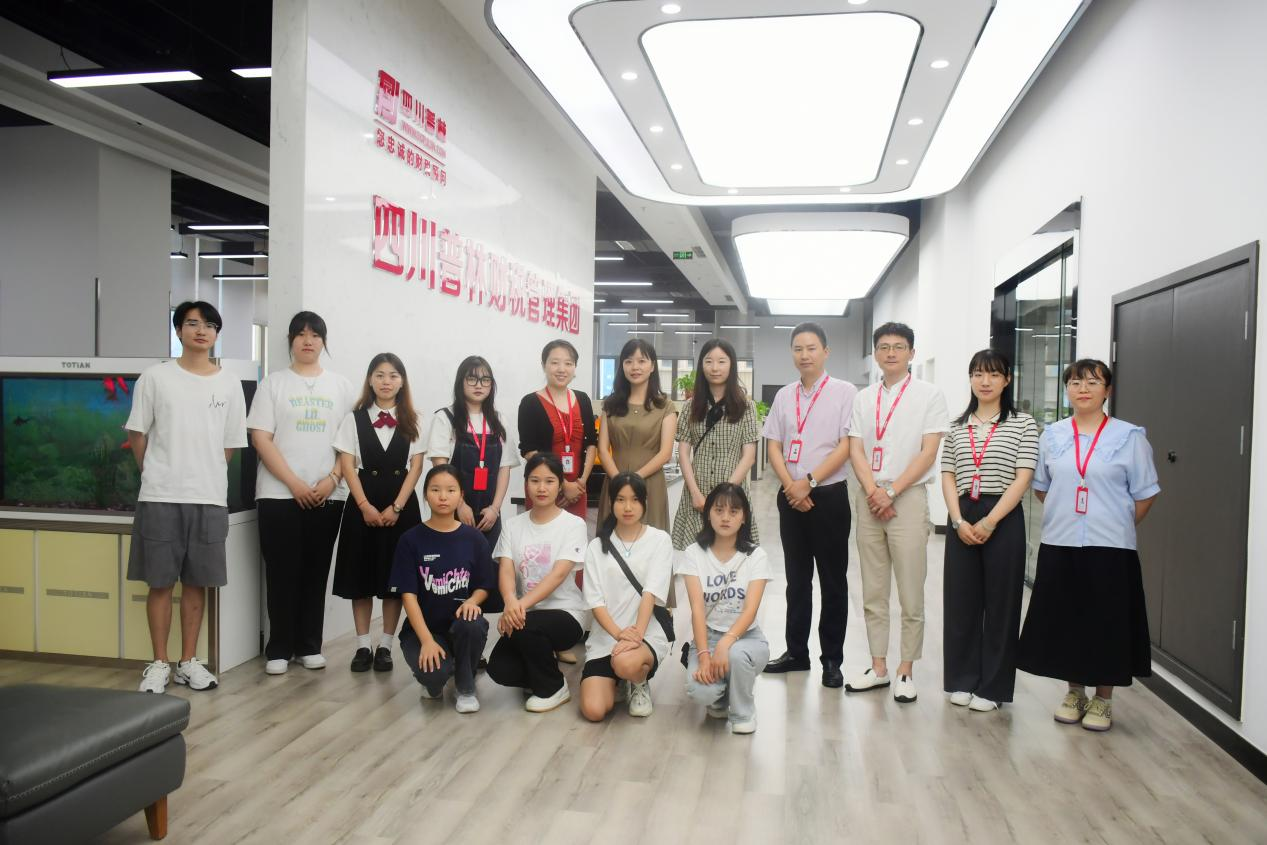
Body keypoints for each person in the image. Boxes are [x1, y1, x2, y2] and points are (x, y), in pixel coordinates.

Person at [1018, 359, 1160, 732]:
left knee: (1106, 621)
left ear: (1107, 391)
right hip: (1060, 541)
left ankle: (1103, 699)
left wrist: (1115, 521)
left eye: (1093, 382)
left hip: (1111, 546)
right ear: (1067, 389)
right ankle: (1074, 693)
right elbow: (1043, 488)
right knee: (1067, 618)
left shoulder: (1129, 437)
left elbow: (1145, 493)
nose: (1083, 388)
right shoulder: (1052, 436)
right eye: (1076, 382)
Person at [126, 301, 247, 694]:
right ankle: (159, 663)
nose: (201, 330)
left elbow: (230, 444)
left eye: (209, 325)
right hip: (160, 495)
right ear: (178, 330)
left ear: (216, 333)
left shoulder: (229, 383)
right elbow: (137, 434)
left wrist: (205, 472)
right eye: (192, 323)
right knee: (160, 582)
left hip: (209, 497)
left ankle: (188, 662)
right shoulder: (155, 378)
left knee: (197, 583)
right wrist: (155, 471)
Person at [248, 311, 356, 675]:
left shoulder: (341, 386)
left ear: (323, 342)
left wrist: (333, 479)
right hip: (278, 494)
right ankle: (279, 648)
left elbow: (350, 442)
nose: (308, 341)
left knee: (316, 570)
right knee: (281, 571)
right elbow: (260, 437)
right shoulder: (273, 384)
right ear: (291, 340)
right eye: (301, 334)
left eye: (315, 335)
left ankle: (309, 645)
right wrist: (293, 483)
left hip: (328, 494)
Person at [846, 322, 948, 703]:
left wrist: (891, 491)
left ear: (911, 353)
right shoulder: (863, 398)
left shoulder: (929, 395)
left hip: (907, 497)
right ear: (875, 353)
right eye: (884, 347)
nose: (891, 353)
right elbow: (855, 448)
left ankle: (906, 669)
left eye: (899, 346)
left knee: (910, 590)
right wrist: (874, 491)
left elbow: (928, 452)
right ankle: (878, 667)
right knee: (873, 589)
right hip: (869, 497)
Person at [940, 350, 1038, 711]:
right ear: (970, 379)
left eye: (994, 375)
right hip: (963, 514)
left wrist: (991, 521)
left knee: (1001, 603)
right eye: (978, 374)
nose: (985, 381)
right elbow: (948, 475)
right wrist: (957, 520)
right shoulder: (957, 426)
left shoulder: (1023, 423)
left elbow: (1023, 477)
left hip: (1003, 515)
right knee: (961, 602)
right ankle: (962, 680)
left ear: (1007, 380)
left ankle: (993, 688)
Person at [761, 322, 857, 688]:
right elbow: (773, 444)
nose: (805, 355)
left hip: (828, 496)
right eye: (798, 349)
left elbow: (847, 445)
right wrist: (792, 486)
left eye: (811, 348)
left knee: (833, 581)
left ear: (826, 352)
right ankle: (796, 653)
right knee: (796, 581)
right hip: (791, 497)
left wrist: (809, 482)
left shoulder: (845, 392)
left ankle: (832, 659)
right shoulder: (785, 396)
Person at [332, 353, 425, 673]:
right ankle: (362, 645)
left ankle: (385, 645)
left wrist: (397, 507)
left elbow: (416, 467)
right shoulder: (354, 419)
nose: (387, 381)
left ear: (402, 382)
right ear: (370, 380)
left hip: (402, 507)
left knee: (394, 581)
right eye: (380, 375)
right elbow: (347, 465)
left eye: (393, 375)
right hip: (363, 505)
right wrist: (364, 506)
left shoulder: (414, 419)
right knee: (360, 578)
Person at [487, 453, 590, 712]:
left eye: (549, 481)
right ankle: (540, 671)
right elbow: (506, 570)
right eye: (534, 481)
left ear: (560, 485)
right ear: (526, 484)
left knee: (528, 627)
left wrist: (517, 608)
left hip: (566, 613)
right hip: (525, 615)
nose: (541, 488)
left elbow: (558, 575)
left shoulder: (573, 525)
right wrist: (510, 602)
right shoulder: (513, 525)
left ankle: (554, 688)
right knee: (499, 668)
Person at [388, 464, 495, 713]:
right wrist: (426, 641)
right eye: (435, 490)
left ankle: (465, 686)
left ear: (461, 495)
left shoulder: (474, 539)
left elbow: (484, 586)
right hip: (424, 630)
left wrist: (472, 601)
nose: (443, 497)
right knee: (434, 680)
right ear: (426, 494)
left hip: (461, 627)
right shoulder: (410, 540)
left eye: (450, 490)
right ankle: (438, 674)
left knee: (473, 623)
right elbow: (408, 596)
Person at [579, 472, 674, 721]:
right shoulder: (596, 547)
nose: (628, 507)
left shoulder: (659, 540)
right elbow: (595, 602)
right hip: (606, 636)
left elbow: (650, 593)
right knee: (593, 710)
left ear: (644, 502)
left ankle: (637, 681)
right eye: (621, 500)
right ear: (611, 503)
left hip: (645, 633)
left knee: (625, 662)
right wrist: (619, 634)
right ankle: (620, 679)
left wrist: (635, 636)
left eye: (634, 500)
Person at [680, 483, 771, 734]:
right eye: (719, 510)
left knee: (736, 655)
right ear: (708, 514)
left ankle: (743, 713)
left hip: (747, 638)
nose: (725, 518)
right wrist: (704, 656)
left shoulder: (756, 555)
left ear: (744, 517)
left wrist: (725, 643)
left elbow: (750, 610)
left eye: (733, 511)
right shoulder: (693, 553)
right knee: (700, 691)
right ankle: (721, 697)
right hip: (707, 637)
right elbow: (697, 609)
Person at [426, 356, 519, 571]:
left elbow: (504, 469)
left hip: (489, 515)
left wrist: (495, 509)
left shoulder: (499, 420)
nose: (479, 385)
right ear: (461, 382)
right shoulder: (445, 418)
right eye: (472, 379)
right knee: (451, 570)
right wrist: (459, 505)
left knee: (487, 571)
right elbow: (440, 469)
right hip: (451, 510)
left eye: (485, 380)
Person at [671, 338, 761, 551]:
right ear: (701, 365)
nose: (714, 368)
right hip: (697, 495)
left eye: (721, 361)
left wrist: (724, 495)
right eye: (708, 361)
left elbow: (749, 456)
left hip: (732, 493)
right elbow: (683, 453)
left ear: (731, 365)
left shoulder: (746, 407)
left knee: (732, 554)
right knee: (695, 557)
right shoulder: (691, 406)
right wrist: (695, 493)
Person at [597, 339, 677, 530]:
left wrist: (634, 480)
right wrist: (619, 480)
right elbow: (603, 450)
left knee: (650, 539)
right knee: (611, 539)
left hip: (650, 483)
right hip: (614, 481)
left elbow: (665, 453)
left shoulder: (665, 406)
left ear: (652, 366)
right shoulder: (611, 405)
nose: (635, 367)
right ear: (622, 366)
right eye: (629, 361)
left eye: (642, 361)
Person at [518, 339, 598, 520]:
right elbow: (529, 451)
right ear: (544, 365)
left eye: (568, 363)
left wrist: (580, 483)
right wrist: (563, 484)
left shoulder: (583, 399)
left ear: (575, 367)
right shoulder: (530, 403)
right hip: (543, 488)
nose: (562, 369)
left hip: (577, 489)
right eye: (555, 363)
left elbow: (592, 443)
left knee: (574, 535)